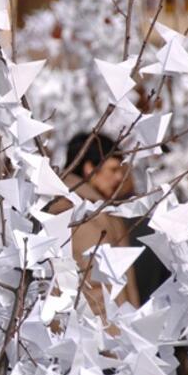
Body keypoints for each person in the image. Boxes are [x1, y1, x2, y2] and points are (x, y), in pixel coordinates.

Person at [52, 133, 140, 319]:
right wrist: (113, 340)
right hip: (100, 338)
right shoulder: (79, 215)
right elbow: (97, 289)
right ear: (89, 168)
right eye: (113, 169)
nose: (119, 178)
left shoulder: (99, 211)